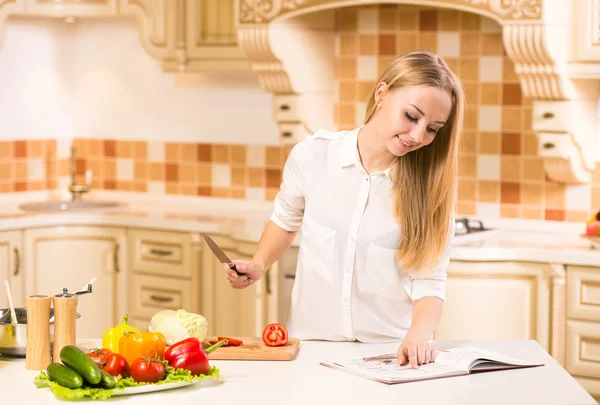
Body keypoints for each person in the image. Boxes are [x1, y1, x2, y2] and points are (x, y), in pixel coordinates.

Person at [223, 49, 464, 369]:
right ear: (382, 93)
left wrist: (419, 333)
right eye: (411, 116)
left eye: (433, 128)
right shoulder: (312, 157)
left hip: (389, 356)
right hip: (311, 349)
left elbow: (430, 282)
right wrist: (259, 263)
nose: (419, 135)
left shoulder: (431, 190)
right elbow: (285, 220)